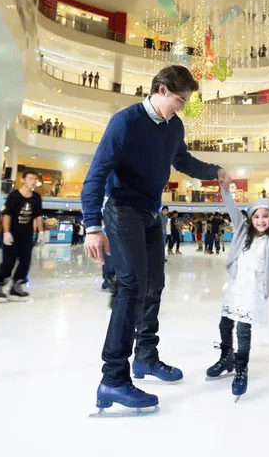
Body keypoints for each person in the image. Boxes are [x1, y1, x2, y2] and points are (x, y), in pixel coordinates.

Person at [81, 64, 229, 411]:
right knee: (130, 287)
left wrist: (214, 172)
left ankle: (145, 356)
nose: (182, 106)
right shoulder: (126, 122)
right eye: (180, 99)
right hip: (122, 209)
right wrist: (91, 225)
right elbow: (96, 172)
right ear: (161, 89)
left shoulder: (173, 126)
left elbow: (182, 160)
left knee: (154, 286)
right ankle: (113, 379)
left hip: (151, 213)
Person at [204, 190, 269, 399]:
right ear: (250, 218)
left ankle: (241, 368)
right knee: (225, 324)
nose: (261, 220)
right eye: (256, 216)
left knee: (242, 329)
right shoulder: (242, 231)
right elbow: (232, 209)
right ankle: (226, 357)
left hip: (253, 291)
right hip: (236, 286)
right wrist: (226, 190)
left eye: (265, 216)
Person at [0, 171, 43, 301]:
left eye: (35, 179)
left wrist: (41, 232)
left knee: (25, 261)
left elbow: (38, 216)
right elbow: (7, 215)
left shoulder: (36, 198)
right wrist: (6, 232)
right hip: (13, 234)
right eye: (30, 178)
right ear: (23, 180)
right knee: (8, 261)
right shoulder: (14, 196)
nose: (33, 181)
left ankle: (17, 286)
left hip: (27, 235)